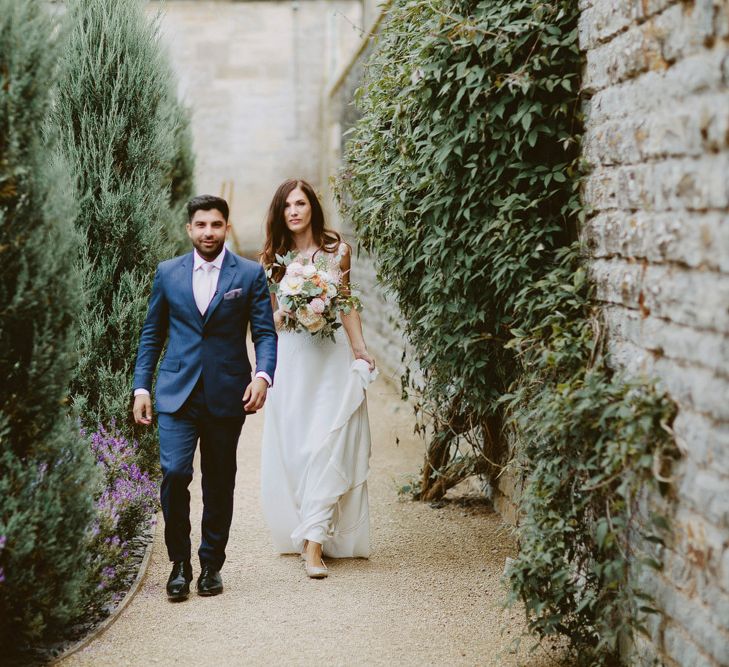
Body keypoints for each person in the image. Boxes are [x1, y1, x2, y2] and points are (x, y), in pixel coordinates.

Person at [132, 194, 277, 601]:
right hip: (176, 395)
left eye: (216, 225)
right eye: (201, 225)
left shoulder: (249, 275)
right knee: (175, 474)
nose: (208, 232)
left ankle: (211, 564)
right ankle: (179, 563)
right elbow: (152, 335)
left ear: (226, 228)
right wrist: (141, 387)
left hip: (227, 394)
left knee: (219, 481)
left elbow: (264, 332)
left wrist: (263, 375)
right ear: (189, 229)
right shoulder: (168, 273)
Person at [259, 178, 376, 579]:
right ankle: (309, 523)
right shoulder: (274, 258)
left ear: (312, 207)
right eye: (287, 205)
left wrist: (359, 347)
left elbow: (345, 302)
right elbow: (269, 317)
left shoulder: (337, 251)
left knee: (329, 441)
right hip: (293, 359)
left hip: (330, 357)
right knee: (299, 449)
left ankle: (314, 544)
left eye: (300, 203)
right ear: (280, 212)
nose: (293, 211)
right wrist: (287, 309)